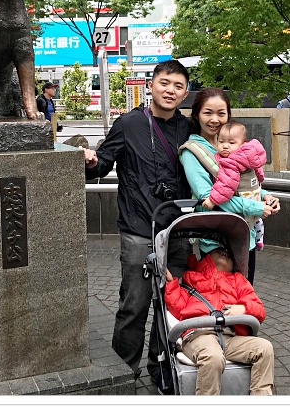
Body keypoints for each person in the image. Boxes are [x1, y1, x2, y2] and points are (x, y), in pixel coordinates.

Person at [82, 59, 193, 392]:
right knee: (134, 306)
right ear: (151, 85)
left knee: (173, 305)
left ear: (185, 92)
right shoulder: (129, 124)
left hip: (178, 230)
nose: (170, 90)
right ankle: (123, 373)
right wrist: (90, 160)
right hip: (138, 230)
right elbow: (102, 164)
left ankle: (161, 367)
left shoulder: (188, 129)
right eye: (164, 83)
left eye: (178, 85)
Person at [179, 88, 280, 284]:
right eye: (207, 112)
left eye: (221, 113)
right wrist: (256, 207)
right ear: (196, 114)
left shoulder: (233, 147)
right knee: (223, 302)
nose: (214, 119)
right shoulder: (192, 152)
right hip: (217, 240)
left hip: (244, 234)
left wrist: (265, 196)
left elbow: (242, 185)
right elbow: (209, 197)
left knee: (244, 296)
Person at [164, 246, 274, 395]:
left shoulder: (238, 281)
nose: (224, 252)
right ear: (205, 258)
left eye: (228, 254)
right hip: (199, 335)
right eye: (218, 251)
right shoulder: (191, 278)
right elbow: (177, 307)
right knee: (213, 357)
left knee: (264, 348)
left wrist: (243, 309)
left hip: (230, 337)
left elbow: (259, 309)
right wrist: (171, 284)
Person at [200, 120, 268, 252]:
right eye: (221, 141)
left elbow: (226, 185)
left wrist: (212, 200)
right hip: (254, 197)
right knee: (257, 222)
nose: (225, 146)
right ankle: (259, 241)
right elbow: (259, 173)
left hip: (242, 203)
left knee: (244, 223)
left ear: (243, 144)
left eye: (231, 143)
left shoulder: (230, 162)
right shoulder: (250, 156)